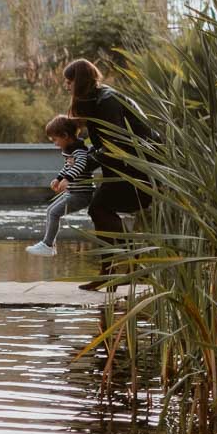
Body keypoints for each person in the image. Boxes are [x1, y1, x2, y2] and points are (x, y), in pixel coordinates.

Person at [64, 58, 156, 290]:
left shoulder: (107, 101)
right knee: (102, 208)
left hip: (140, 167)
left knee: (99, 207)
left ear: (79, 81)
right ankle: (130, 267)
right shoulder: (100, 98)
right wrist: (82, 161)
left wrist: (83, 167)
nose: (67, 87)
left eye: (69, 82)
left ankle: (113, 271)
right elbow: (105, 145)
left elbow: (116, 143)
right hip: (129, 165)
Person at [26, 114, 97, 257]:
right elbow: (67, 167)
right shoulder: (69, 151)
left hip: (81, 194)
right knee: (50, 210)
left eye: (55, 139)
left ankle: (47, 245)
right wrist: (58, 178)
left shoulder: (79, 151)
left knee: (54, 213)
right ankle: (49, 245)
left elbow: (80, 165)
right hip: (72, 192)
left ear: (65, 135)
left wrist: (68, 179)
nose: (55, 143)